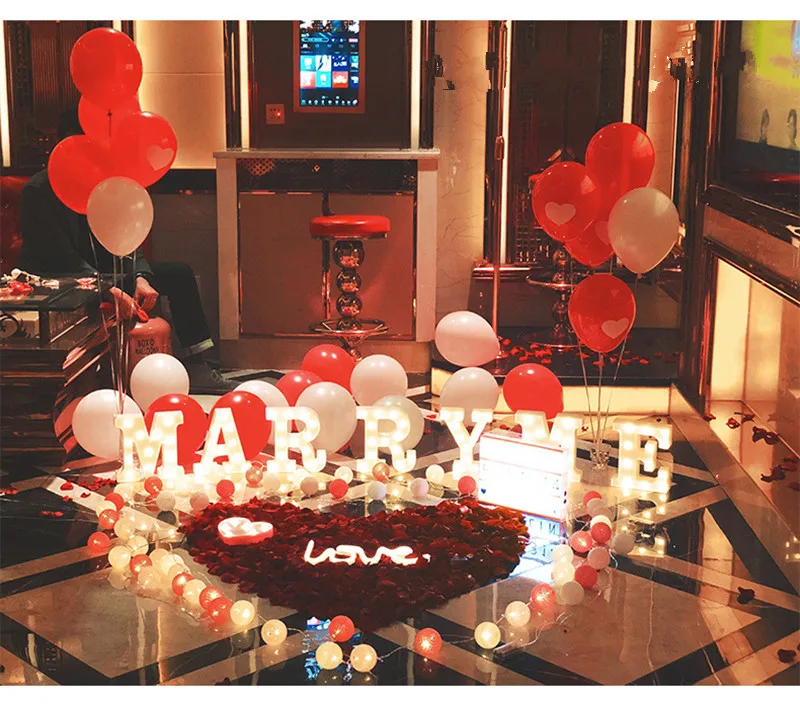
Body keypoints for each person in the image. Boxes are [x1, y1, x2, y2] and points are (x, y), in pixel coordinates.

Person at [19, 108, 236, 394]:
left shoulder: (105, 182)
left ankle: (198, 364)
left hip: (105, 273)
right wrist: (107, 289)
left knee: (179, 274)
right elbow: (60, 257)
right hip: (60, 281)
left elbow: (126, 237)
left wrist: (141, 277)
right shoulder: (39, 190)